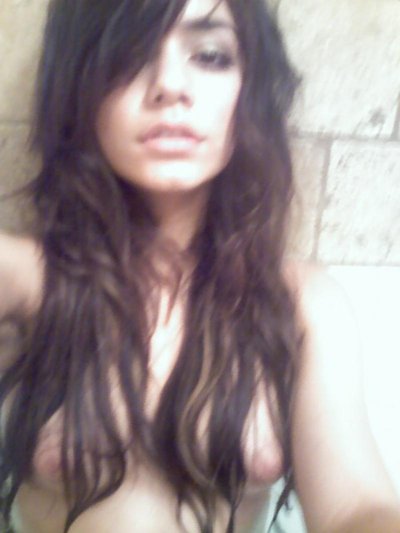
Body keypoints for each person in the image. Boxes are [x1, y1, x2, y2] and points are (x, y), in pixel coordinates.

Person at [0, 0, 399, 532]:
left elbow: (356, 506)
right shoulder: (26, 280)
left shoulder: (302, 303)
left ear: (249, 92)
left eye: (210, 56)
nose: (169, 85)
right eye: (128, 54)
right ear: (79, 89)